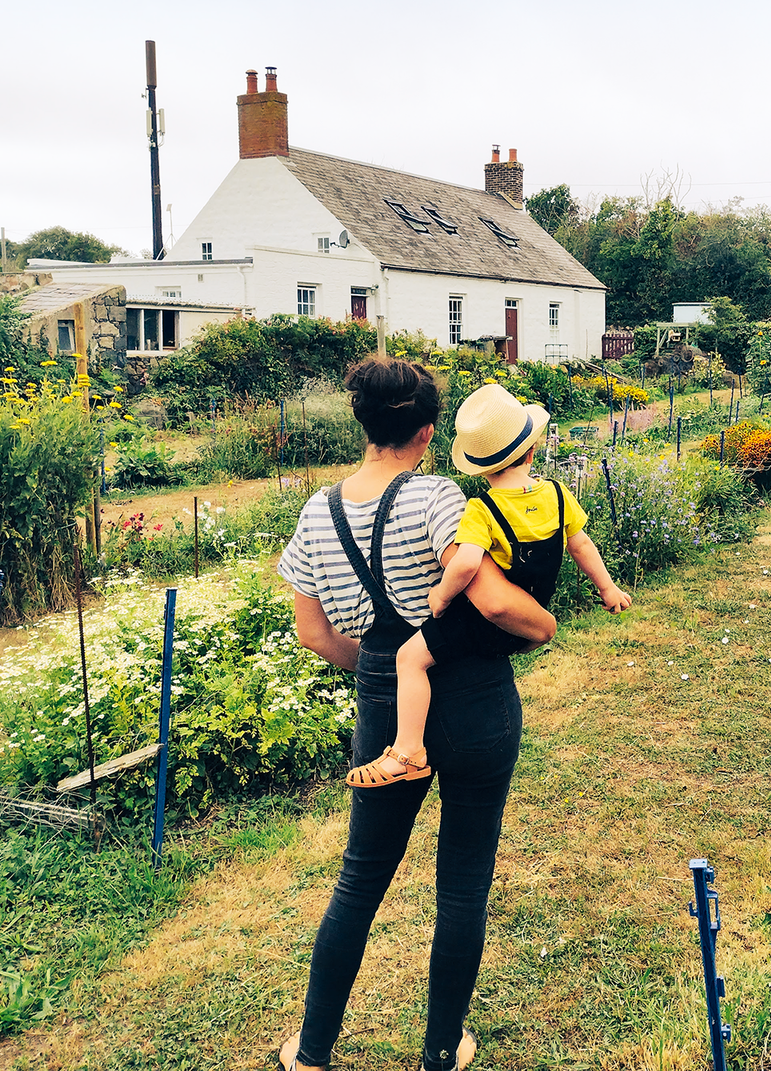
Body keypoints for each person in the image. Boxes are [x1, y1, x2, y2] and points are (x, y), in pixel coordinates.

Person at [275, 356, 557, 1071]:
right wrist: (545, 625)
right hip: (474, 697)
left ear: (364, 423)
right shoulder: (436, 500)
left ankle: (310, 1054)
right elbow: (493, 602)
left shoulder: (318, 510)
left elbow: (313, 633)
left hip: (382, 700)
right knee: (463, 880)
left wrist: (377, 670)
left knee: (360, 878)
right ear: (428, 433)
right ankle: (439, 1051)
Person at [346, 382, 631, 788]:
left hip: (480, 623)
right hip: (522, 623)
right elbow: (581, 545)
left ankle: (408, 751)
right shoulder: (559, 495)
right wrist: (607, 589)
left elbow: (464, 565)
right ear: (531, 452)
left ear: (480, 468)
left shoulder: (481, 509)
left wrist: (440, 597)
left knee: (410, 660)